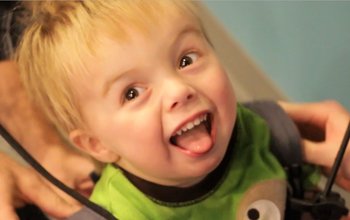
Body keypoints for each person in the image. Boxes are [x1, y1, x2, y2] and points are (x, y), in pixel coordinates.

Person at [14, 1, 350, 219]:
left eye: (186, 60)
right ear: (97, 145)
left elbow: (311, 162)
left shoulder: (254, 126)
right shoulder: (114, 215)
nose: (179, 90)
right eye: (132, 93)